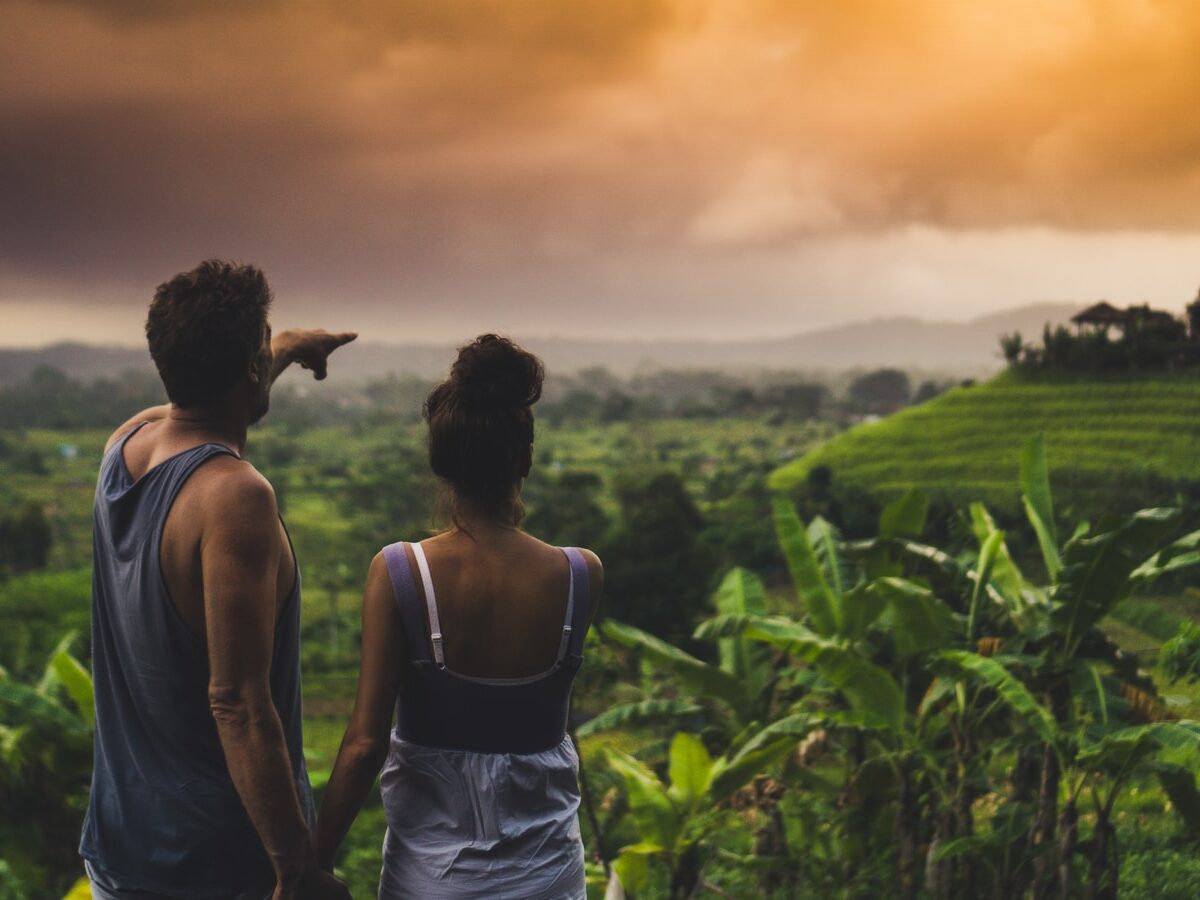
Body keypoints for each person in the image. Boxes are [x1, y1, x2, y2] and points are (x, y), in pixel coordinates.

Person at [80, 260, 356, 900]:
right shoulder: (234, 497)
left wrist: (281, 348)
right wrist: (296, 870)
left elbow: (194, 404)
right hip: (214, 867)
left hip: (123, 851)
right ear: (250, 369)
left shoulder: (124, 445)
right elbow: (237, 702)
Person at [314, 334, 603, 898]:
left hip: (429, 880)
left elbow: (364, 743)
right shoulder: (579, 576)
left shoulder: (401, 573)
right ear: (525, 456)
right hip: (549, 878)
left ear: (440, 460)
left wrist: (310, 864)